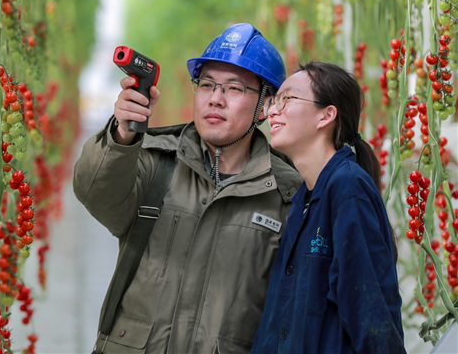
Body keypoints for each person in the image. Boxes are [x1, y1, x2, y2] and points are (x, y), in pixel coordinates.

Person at [73, 23, 303, 353]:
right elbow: (95, 193)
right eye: (207, 84)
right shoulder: (155, 161)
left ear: (266, 106)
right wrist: (122, 135)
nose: (215, 99)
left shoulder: (286, 193)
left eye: (234, 89)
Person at [251, 61, 405, 354]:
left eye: (288, 99)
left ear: (326, 115)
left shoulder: (348, 188)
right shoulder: (303, 198)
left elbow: (370, 313)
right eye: (273, 101)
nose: (272, 111)